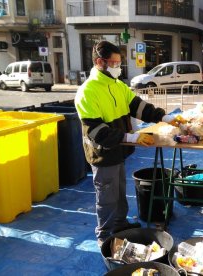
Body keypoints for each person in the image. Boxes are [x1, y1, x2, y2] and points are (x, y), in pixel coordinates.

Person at [74, 41, 176, 247]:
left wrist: (164, 118)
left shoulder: (118, 86)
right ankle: (104, 235)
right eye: (113, 63)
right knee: (107, 196)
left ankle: (119, 224)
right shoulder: (88, 91)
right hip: (103, 153)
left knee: (119, 191)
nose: (117, 67)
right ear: (99, 62)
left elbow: (138, 107)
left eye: (119, 63)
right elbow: (97, 132)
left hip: (120, 150)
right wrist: (132, 138)